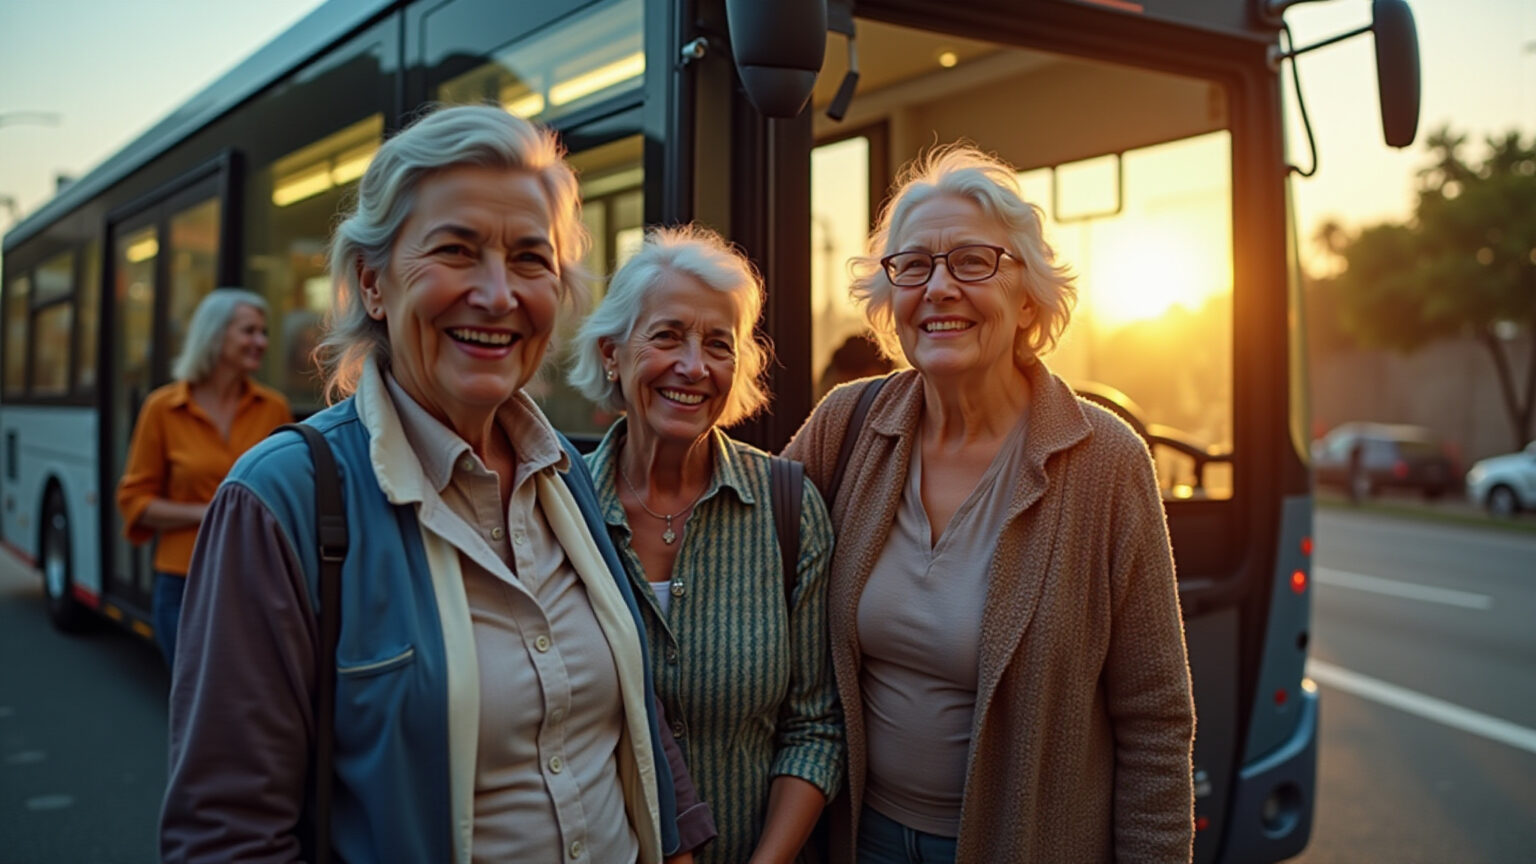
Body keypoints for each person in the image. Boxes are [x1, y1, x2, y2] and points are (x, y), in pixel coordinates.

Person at [161, 105, 713, 864]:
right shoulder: (281, 499)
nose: (497, 295)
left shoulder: (568, 475)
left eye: (529, 259)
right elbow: (227, 835)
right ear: (372, 285)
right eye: (456, 251)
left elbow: (633, 716)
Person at [784, 144, 1196, 864]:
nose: (939, 287)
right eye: (913, 266)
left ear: (1028, 295)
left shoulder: (1106, 462)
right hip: (861, 837)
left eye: (973, 261)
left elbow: (1156, 720)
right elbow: (734, 538)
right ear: (890, 300)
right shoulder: (844, 425)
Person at [569, 225, 842, 864]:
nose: (694, 366)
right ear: (612, 353)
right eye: (667, 336)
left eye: (718, 344)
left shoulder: (788, 506)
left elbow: (816, 728)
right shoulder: (558, 505)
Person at [115, 288, 291, 664]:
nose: (261, 342)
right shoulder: (162, 408)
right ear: (215, 334)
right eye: (249, 331)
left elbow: (289, 494)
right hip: (184, 582)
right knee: (198, 710)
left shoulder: (274, 408)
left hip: (256, 583)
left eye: (264, 332)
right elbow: (134, 501)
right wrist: (209, 512)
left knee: (251, 710)